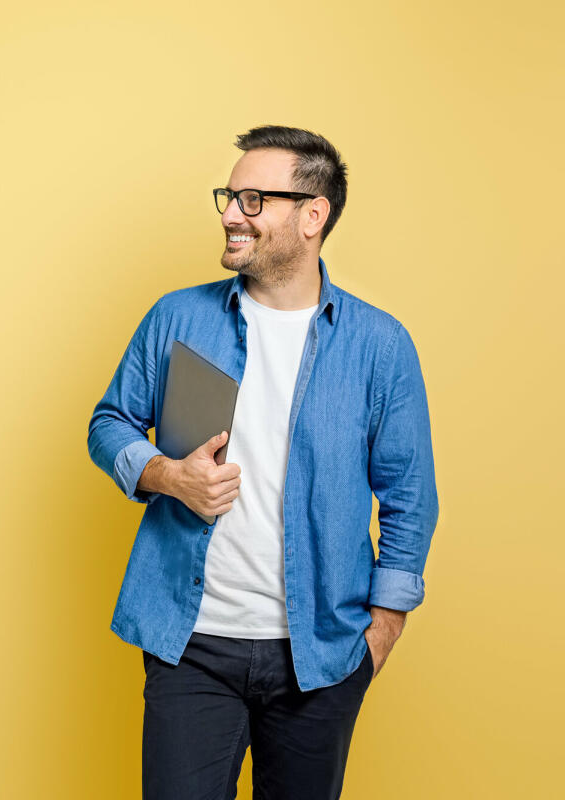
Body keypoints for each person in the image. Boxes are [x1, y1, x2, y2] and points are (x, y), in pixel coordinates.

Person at [86, 125, 439, 799]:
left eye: (252, 199)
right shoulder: (177, 318)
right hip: (190, 644)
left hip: (323, 652)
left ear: (313, 216)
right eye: (229, 196)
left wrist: (383, 629)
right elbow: (111, 422)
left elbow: (409, 495)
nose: (229, 213)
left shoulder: (379, 345)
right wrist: (167, 476)